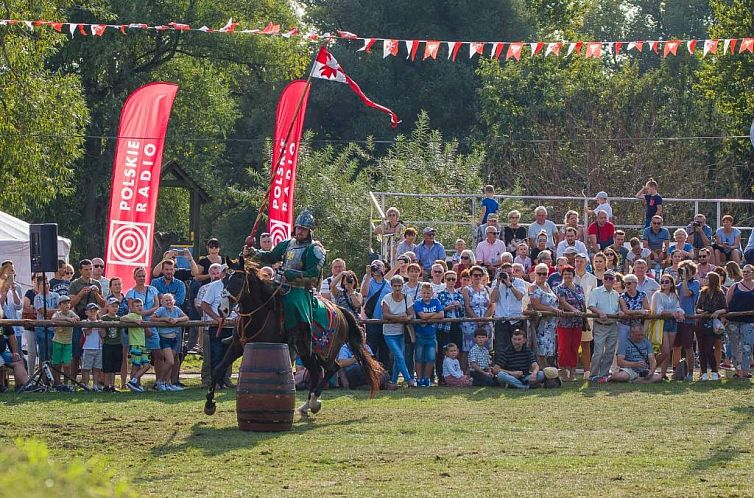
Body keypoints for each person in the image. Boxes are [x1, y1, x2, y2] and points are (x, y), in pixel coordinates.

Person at [249, 209, 326, 347]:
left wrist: (294, 275)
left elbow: (313, 276)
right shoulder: (287, 244)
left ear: (309, 231)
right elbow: (271, 256)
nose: (300, 231)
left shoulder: (314, 249)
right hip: (280, 284)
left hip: (299, 289)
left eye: (303, 229)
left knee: (291, 303)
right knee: (258, 295)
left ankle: (298, 337)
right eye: (298, 228)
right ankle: (245, 332)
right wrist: (254, 252)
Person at [68, 259, 106, 382]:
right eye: (86, 269)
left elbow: (103, 304)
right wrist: (80, 294)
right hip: (79, 318)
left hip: (94, 318)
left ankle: (95, 381)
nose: (89, 271)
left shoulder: (96, 283)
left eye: (90, 269)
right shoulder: (75, 284)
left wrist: (96, 294)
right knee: (76, 352)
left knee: (96, 349)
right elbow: (70, 304)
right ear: (80, 270)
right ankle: (73, 380)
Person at [199, 263, 235, 390]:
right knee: (216, 354)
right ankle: (216, 381)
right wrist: (217, 318)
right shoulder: (214, 286)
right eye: (224, 272)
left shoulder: (235, 286)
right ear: (221, 273)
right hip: (217, 326)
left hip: (231, 326)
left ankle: (225, 380)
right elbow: (204, 304)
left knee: (228, 355)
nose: (226, 274)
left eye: (229, 272)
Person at [126, 267, 161, 388]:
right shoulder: (131, 292)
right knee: (137, 360)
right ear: (134, 277)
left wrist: (145, 313)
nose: (141, 278)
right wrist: (141, 315)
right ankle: (136, 384)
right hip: (137, 326)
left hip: (151, 322)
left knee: (157, 354)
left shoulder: (152, 289)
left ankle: (160, 382)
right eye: (139, 276)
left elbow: (157, 305)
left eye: (143, 276)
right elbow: (131, 309)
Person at [587, 270, 622, 382]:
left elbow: (618, 310)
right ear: (602, 279)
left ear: (614, 281)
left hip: (613, 325)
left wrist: (619, 313)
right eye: (606, 278)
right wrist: (599, 312)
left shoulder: (616, 294)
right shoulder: (596, 291)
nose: (608, 280)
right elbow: (591, 306)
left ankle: (603, 375)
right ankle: (593, 375)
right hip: (600, 325)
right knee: (598, 351)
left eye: (610, 278)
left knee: (610, 352)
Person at [381, 275, 416, 387]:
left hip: (401, 332)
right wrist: (399, 318)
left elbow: (411, 314)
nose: (397, 288)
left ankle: (394, 381)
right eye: (395, 286)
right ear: (391, 286)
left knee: (398, 357)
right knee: (399, 355)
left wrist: (406, 318)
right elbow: (385, 315)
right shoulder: (387, 298)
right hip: (389, 333)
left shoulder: (407, 298)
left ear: (402, 286)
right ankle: (408, 379)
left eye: (399, 286)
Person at [151, 293, 188, 391]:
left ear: (174, 301)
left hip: (174, 338)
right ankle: (160, 381)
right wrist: (164, 319)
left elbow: (186, 317)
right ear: (162, 302)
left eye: (170, 300)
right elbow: (152, 318)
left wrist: (177, 320)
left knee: (171, 362)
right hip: (164, 339)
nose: (169, 302)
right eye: (166, 300)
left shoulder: (176, 309)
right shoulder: (161, 310)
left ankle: (168, 383)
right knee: (170, 361)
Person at [555, 265, 585, 381]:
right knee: (564, 347)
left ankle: (572, 373)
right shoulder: (559, 288)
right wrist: (574, 310)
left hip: (577, 323)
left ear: (573, 275)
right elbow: (562, 302)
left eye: (570, 274)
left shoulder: (579, 288)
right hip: (564, 322)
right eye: (565, 274)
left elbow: (582, 303)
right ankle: (563, 373)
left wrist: (583, 315)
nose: (567, 276)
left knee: (575, 347)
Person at [652, 275, 686, 379]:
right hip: (662, 323)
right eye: (662, 282)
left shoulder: (674, 295)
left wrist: (680, 313)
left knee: (668, 351)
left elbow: (678, 307)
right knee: (665, 351)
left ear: (671, 283)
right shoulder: (657, 294)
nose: (664, 283)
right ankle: (651, 369)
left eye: (667, 282)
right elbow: (659, 311)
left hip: (673, 323)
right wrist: (673, 313)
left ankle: (663, 374)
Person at [490, 263, 527, 352]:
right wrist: (498, 284)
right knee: (501, 347)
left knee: (517, 347)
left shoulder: (519, 282)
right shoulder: (496, 283)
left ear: (513, 272)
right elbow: (493, 299)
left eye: (509, 273)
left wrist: (509, 284)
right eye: (504, 273)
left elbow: (519, 296)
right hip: (501, 319)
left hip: (516, 320)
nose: (507, 275)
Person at [725, 264, 754, 379]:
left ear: (752, 273)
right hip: (733, 321)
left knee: (747, 346)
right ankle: (738, 371)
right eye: (744, 271)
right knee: (735, 347)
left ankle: (745, 371)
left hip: (749, 321)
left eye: (748, 271)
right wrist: (725, 318)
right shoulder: (735, 286)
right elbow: (727, 304)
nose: (746, 273)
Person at [696, 272, 727, 381]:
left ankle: (714, 371)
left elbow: (725, 308)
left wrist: (718, 312)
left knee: (709, 348)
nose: (704, 279)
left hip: (713, 324)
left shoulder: (720, 293)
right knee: (701, 349)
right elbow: (697, 307)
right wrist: (702, 312)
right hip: (702, 323)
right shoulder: (703, 292)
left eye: (707, 278)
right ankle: (704, 372)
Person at [436, 271, 464, 383]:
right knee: (443, 351)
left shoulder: (459, 294)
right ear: (445, 280)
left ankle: (456, 375)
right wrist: (449, 307)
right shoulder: (440, 294)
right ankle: (441, 376)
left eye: (453, 279)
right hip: (444, 326)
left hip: (456, 325)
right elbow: (439, 310)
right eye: (449, 279)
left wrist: (458, 307)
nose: (451, 281)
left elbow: (462, 313)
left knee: (456, 351)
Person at [529, 263, 559, 367]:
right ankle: (543, 371)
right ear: (535, 274)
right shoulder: (533, 287)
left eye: (544, 273)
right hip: (540, 323)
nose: (542, 276)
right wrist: (552, 309)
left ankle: (549, 372)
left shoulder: (547, 285)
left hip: (551, 324)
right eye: (539, 273)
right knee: (540, 349)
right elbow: (536, 305)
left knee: (549, 350)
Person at [413, 283, 443, 386]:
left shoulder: (436, 301)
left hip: (431, 335)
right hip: (420, 335)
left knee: (431, 358)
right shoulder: (417, 303)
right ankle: (419, 378)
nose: (426, 295)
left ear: (432, 293)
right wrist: (434, 315)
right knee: (419, 358)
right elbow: (422, 315)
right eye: (424, 293)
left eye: (428, 293)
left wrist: (427, 317)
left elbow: (442, 314)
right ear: (421, 293)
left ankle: (426, 378)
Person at [461, 266, 493, 361]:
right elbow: (467, 306)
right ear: (471, 276)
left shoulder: (487, 289)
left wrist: (484, 319)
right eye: (475, 275)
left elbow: (492, 305)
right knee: (468, 350)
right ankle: (466, 373)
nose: (478, 277)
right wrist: (477, 319)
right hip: (471, 323)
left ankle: (484, 371)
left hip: (485, 323)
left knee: (485, 350)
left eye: (480, 275)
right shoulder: (466, 289)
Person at [120, 298, 151, 392]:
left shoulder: (141, 317)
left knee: (147, 366)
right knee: (136, 365)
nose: (139, 307)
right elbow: (122, 318)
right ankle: (133, 383)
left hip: (142, 344)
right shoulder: (132, 315)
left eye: (141, 305)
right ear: (132, 308)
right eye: (137, 306)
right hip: (135, 344)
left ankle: (133, 381)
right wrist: (133, 321)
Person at [50, 295, 79, 389]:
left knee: (67, 364)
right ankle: (57, 383)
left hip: (68, 342)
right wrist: (67, 319)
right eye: (65, 303)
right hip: (57, 341)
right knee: (56, 364)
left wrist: (72, 319)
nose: (67, 305)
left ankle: (66, 384)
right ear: (60, 305)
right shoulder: (57, 314)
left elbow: (77, 318)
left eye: (68, 303)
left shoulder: (71, 313)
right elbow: (53, 319)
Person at [618, 274, 649, 346]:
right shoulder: (622, 296)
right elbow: (626, 311)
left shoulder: (642, 295)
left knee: (636, 347)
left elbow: (647, 309)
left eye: (629, 283)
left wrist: (644, 312)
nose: (627, 285)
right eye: (625, 284)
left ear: (635, 283)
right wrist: (640, 312)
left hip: (638, 326)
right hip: (624, 326)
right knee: (623, 346)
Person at [100, 297, 123, 392]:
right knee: (107, 366)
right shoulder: (104, 318)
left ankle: (112, 385)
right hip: (107, 344)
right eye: (113, 306)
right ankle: (106, 385)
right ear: (108, 307)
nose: (115, 308)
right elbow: (103, 333)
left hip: (117, 344)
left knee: (115, 366)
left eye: (116, 306)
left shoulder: (120, 318)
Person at [80, 303, 104, 391]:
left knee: (97, 368)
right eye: (91, 311)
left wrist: (100, 325)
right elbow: (87, 332)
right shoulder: (84, 322)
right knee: (86, 368)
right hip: (87, 347)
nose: (93, 312)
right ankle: (86, 385)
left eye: (95, 310)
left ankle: (95, 385)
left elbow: (103, 334)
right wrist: (95, 324)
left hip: (99, 347)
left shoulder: (100, 322)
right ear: (86, 312)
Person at [0, 323, 30, 392]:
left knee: (18, 361)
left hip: (2, 352)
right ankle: (1, 386)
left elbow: (11, 336)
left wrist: (15, 352)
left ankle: (26, 386)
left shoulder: (2, 317)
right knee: (0, 362)